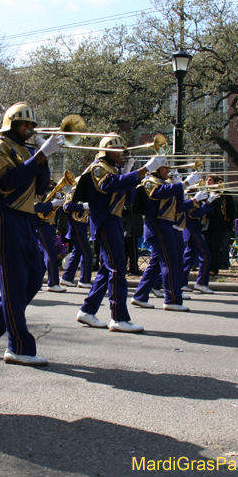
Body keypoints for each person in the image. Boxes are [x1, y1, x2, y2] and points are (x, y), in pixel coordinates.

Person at [0, 102, 61, 366]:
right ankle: (18, 347)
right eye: (25, 124)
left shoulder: (28, 149)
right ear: (12, 123)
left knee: (34, 277)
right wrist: (40, 155)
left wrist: (44, 157)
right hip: (6, 216)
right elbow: (8, 182)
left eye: (32, 124)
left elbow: (42, 187)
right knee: (14, 284)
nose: (30, 129)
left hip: (26, 218)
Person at [74, 134, 163, 332]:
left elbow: (129, 199)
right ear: (106, 151)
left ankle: (87, 311)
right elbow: (108, 186)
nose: (121, 154)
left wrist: (129, 174)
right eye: (117, 150)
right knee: (117, 268)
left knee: (109, 268)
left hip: (113, 219)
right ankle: (118, 317)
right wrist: (143, 170)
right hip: (104, 219)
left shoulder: (114, 169)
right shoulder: (98, 167)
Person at [130, 164, 197, 311]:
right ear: (156, 169)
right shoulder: (149, 181)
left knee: (156, 264)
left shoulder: (165, 184)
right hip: (157, 224)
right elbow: (159, 193)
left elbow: (178, 208)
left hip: (166, 224)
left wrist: (185, 191)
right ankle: (172, 300)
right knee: (170, 262)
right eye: (165, 168)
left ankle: (140, 296)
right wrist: (184, 184)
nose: (169, 170)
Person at [202, 174, 235, 276]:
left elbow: (230, 209)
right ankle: (206, 267)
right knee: (206, 247)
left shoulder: (223, 194)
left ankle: (214, 268)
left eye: (210, 180)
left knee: (215, 247)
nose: (207, 182)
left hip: (217, 224)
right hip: (206, 224)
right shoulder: (204, 193)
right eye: (207, 179)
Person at [60, 183, 92, 288]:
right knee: (86, 253)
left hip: (81, 225)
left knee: (77, 253)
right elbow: (66, 207)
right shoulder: (72, 193)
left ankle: (67, 278)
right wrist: (82, 206)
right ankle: (85, 280)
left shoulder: (84, 195)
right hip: (76, 226)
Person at [35, 187, 66, 293]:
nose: (50, 184)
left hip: (50, 225)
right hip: (42, 224)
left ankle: (36, 282)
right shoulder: (36, 192)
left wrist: (58, 201)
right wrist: (52, 204)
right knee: (50, 253)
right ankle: (53, 283)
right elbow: (35, 207)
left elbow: (59, 212)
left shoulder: (49, 193)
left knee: (43, 255)